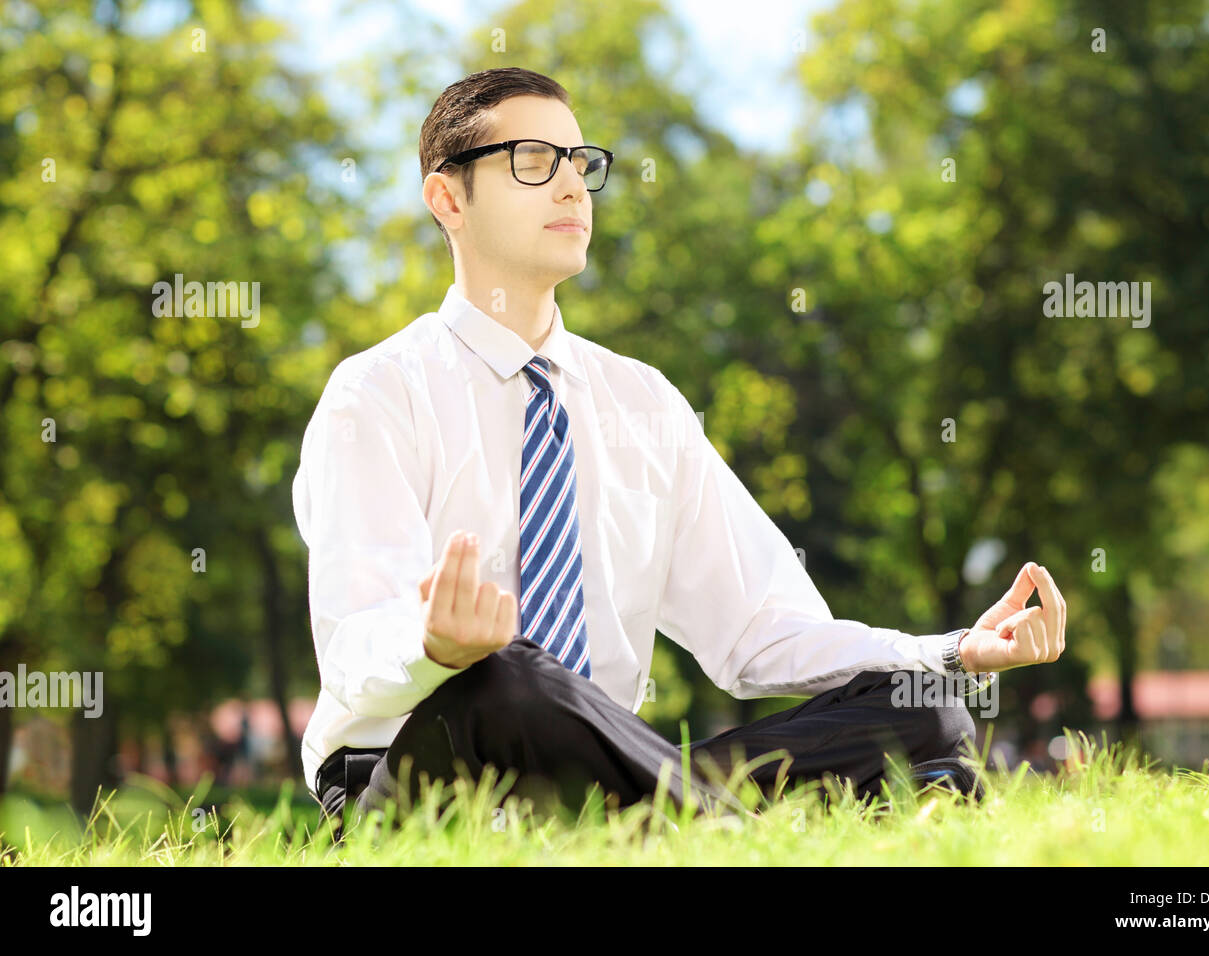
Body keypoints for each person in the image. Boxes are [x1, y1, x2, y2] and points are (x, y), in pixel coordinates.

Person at [291, 67, 1068, 839]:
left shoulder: (644, 402)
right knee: (503, 677)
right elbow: (354, 644)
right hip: (413, 780)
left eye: (581, 162)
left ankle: (677, 831)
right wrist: (430, 645)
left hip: (606, 781)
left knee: (919, 704)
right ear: (447, 198)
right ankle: (728, 833)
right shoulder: (377, 395)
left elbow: (761, 627)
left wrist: (954, 650)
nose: (571, 188)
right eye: (533, 162)